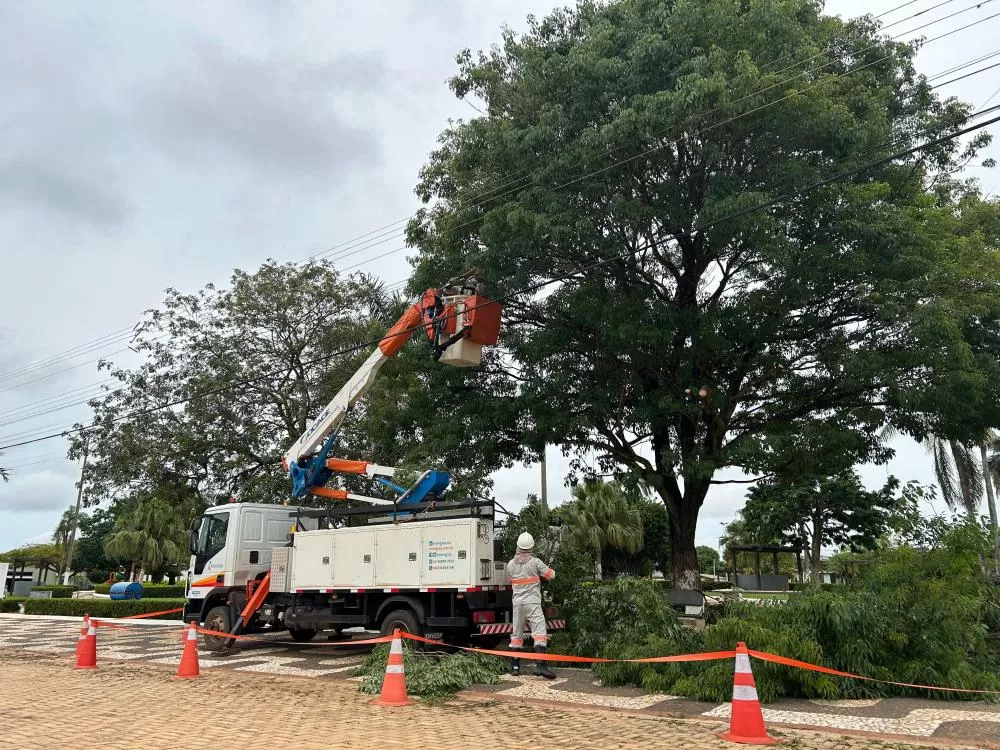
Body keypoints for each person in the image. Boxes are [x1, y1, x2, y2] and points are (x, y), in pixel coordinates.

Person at [506, 532, 556, 679]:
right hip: (533, 602)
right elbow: (551, 575)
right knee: (539, 632)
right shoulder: (535, 562)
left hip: (517, 603)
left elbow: (510, 580)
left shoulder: (510, 564)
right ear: (531, 547)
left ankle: (515, 667)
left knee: (516, 634)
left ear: (518, 546)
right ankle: (540, 666)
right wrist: (548, 569)